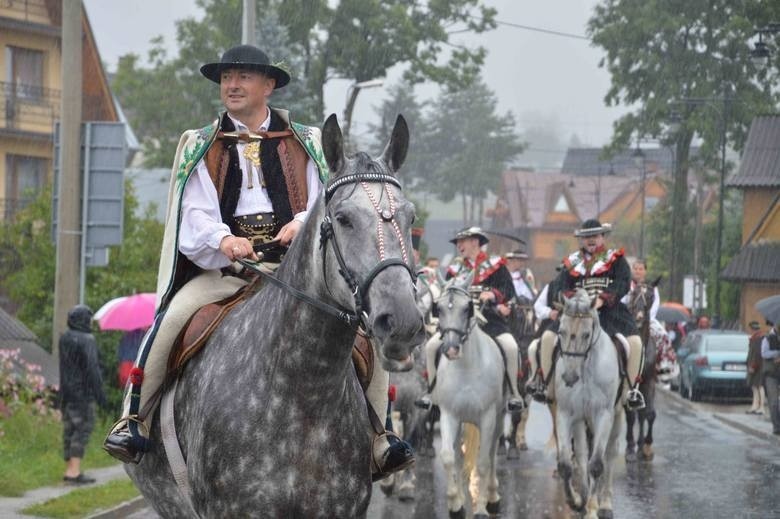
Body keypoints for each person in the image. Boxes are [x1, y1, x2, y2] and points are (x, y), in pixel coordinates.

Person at [104, 45, 412, 478]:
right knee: (170, 320)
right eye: (226, 77)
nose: (231, 85)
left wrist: (301, 223)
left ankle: (382, 435)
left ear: (268, 85)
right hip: (227, 273)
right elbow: (193, 213)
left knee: (359, 331)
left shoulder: (306, 141)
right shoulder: (202, 144)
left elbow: (331, 199)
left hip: (297, 272)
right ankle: (133, 419)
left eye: (243, 76)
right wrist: (223, 238)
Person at [526, 219, 645, 410]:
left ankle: (630, 392)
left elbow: (623, 283)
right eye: (586, 237)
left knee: (636, 344)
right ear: (581, 240)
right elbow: (558, 287)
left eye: (595, 236)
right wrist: (574, 300)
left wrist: (603, 299)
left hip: (610, 313)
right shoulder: (571, 262)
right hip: (576, 314)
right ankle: (547, 388)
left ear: (602, 237)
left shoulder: (616, 259)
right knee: (548, 337)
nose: (591, 240)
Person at [415, 227, 524, 411]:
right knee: (432, 346)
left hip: (491, 321)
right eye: (457, 242)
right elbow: (446, 294)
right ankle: (431, 393)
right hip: (457, 323)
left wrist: (493, 295)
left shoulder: (496, 265)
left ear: (476, 242)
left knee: (511, 347)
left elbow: (508, 291)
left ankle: (514, 393)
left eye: (462, 241)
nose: (459, 245)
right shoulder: (455, 269)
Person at [59, 304, 107, 485]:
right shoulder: (87, 339)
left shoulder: (65, 338)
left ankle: (70, 469)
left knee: (70, 430)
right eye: (88, 319)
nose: (89, 322)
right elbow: (92, 370)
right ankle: (74, 473)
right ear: (82, 320)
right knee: (82, 430)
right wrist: (100, 395)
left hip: (67, 393)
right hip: (83, 394)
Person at [761, 321, 780, 435]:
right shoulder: (767, 338)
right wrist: (777, 354)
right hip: (771, 373)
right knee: (773, 402)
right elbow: (764, 353)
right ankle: (777, 427)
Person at [745, 321, 766, 415]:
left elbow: (757, 354)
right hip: (755, 365)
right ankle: (755, 405)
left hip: (758, 366)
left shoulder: (758, 338)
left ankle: (761, 407)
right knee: (754, 386)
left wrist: (753, 366)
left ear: (753, 329)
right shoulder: (755, 338)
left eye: (750, 329)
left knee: (759, 386)